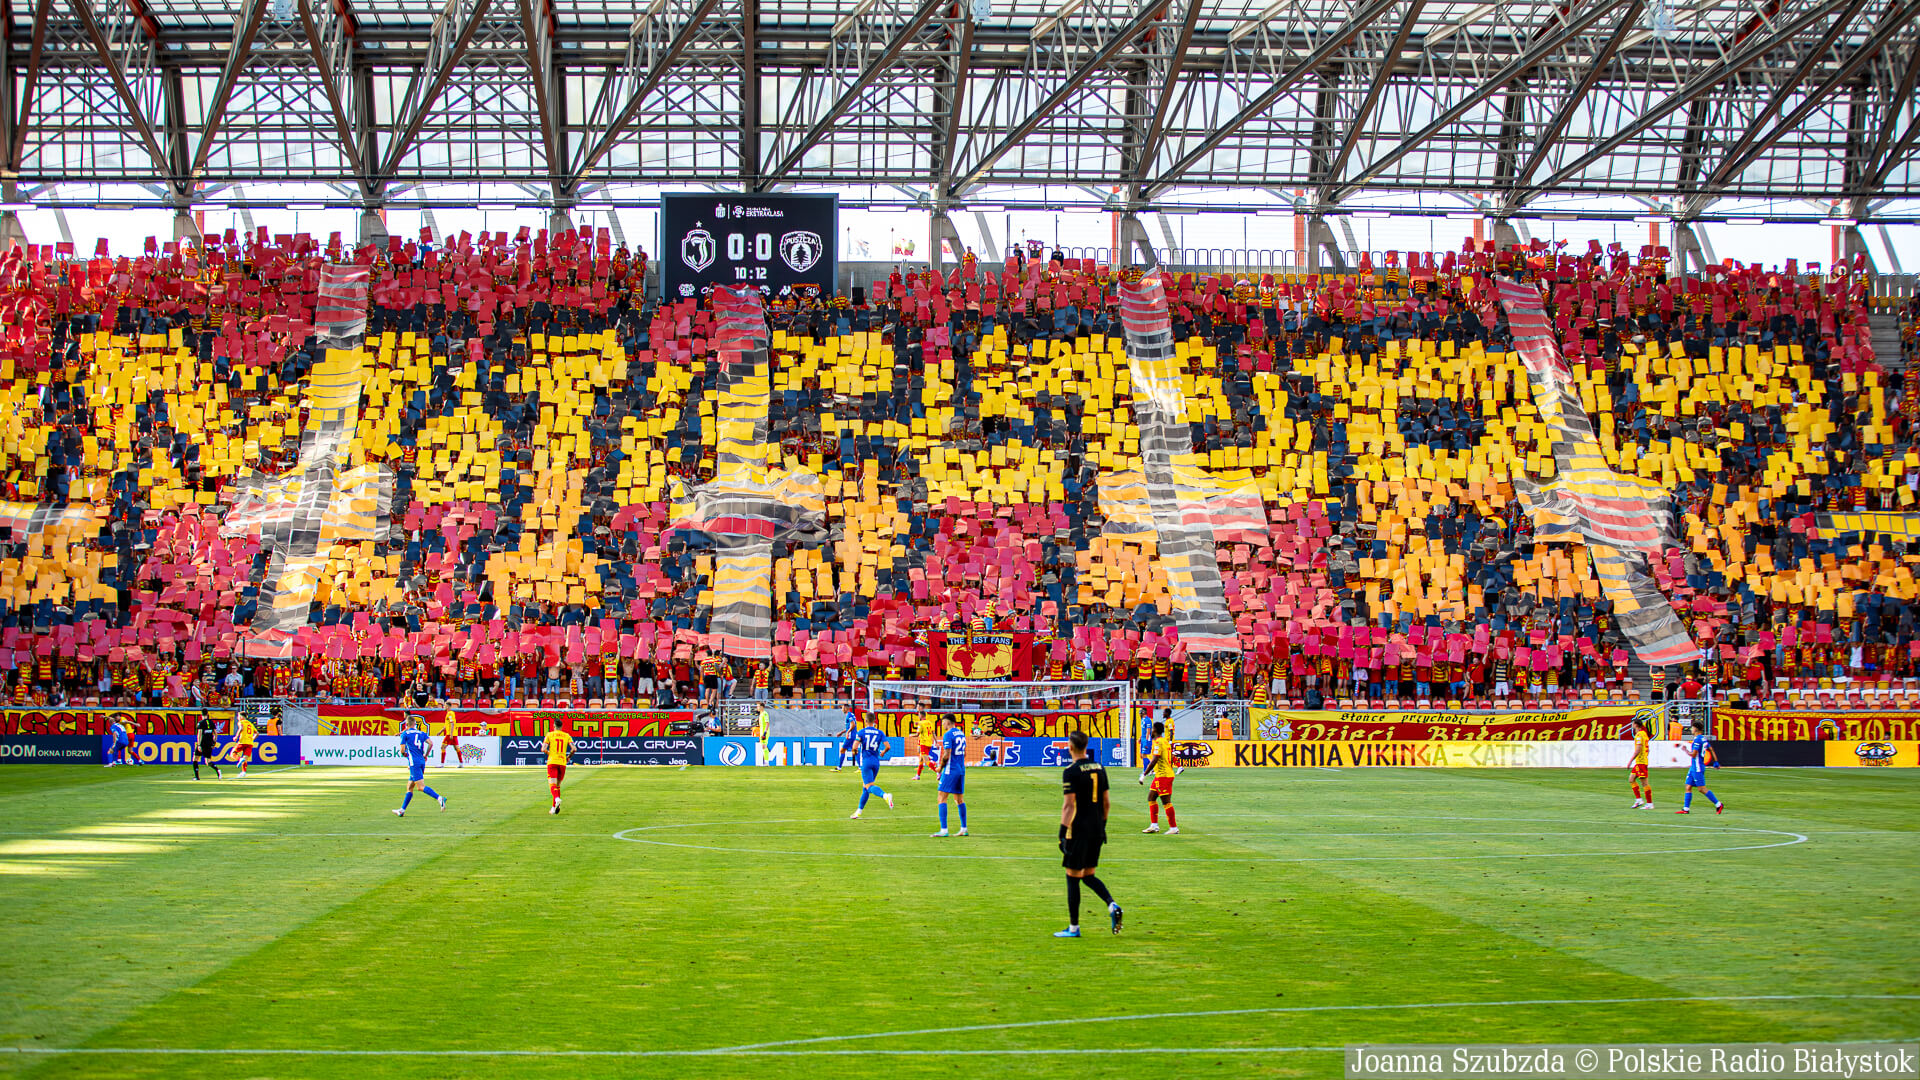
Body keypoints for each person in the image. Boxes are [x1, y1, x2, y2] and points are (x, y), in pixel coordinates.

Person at [1056, 729, 1122, 938]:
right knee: (1088, 874)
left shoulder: (1071, 771)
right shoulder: (1100, 768)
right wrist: (1102, 827)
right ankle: (1112, 905)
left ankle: (1074, 927)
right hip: (1096, 829)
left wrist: (1062, 832)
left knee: (1073, 877)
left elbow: (1069, 805)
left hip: (1078, 830)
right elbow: (1107, 803)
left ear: (1071, 747)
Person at [391, 719, 446, 817]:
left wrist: (406, 755)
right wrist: (426, 755)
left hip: (414, 763)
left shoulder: (405, 733)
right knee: (410, 787)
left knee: (420, 787)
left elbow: (402, 750)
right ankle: (402, 810)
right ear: (415, 724)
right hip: (421, 761)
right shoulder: (421, 733)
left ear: (406, 724)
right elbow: (431, 743)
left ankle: (439, 798)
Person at [1137, 720, 1180, 834]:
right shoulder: (1164, 741)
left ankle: (1173, 828)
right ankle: (1154, 825)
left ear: (1155, 730)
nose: (1151, 731)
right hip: (1161, 775)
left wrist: (1144, 774)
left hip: (1164, 776)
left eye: (1152, 729)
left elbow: (1155, 759)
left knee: (1166, 802)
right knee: (1151, 797)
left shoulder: (1158, 742)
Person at [847, 719, 895, 819]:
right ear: (874, 721)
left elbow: (855, 747)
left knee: (869, 787)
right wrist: (883, 753)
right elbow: (888, 746)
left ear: (866, 721)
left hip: (866, 762)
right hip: (876, 762)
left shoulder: (861, 732)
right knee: (865, 788)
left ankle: (885, 795)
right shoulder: (879, 732)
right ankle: (858, 812)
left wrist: (854, 752)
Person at [1677, 720, 1724, 814]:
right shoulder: (1703, 738)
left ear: (1695, 729)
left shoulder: (1697, 740)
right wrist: (1716, 762)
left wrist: (1685, 750)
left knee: (1701, 788)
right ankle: (1686, 809)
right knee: (1688, 786)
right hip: (1694, 767)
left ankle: (1718, 804)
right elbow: (1711, 749)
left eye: (1692, 727)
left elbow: (1694, 754)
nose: (1691, 729)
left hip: (1697, 767)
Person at [931, 714, 967, 837]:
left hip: (950, 769)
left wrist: (940, 768)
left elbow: (947, 755)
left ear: (947, 722)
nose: (942, 725)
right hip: (961, 769)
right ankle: (964, 828)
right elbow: (964, 753)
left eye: (943, 722)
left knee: (941, 797)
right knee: (959, 799)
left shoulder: (948, 735)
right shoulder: (962, 734)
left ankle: (944, 830)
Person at [544, 721, 575, 814]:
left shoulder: (549, 735)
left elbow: (543, 749)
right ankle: (554, 808)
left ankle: (557, 799)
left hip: (552, 762)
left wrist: (551, 754)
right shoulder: (566, 735)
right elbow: (574, 749)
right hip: (562, 762)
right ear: (561, 726)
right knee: (557, 786)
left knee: (552, 785)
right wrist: (568, 757)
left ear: (554, 726)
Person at [1628, 717, 1653, 809]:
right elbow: (1648, 749)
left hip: (1641, 762)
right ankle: (1639, 800)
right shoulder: (1644, 734)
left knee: (1644, 783)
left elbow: (1638, 749)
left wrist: (1630, 761)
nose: (1632, 725)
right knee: (1631, 779)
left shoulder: (1639, 735)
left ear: (1636, 725)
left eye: (1632, 723)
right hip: (1640, 761)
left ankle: (1650, 804)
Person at [191, 708, 222, 780]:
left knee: (195, 759)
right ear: (207, 714)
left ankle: (197, 777)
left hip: (202, 743)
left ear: (201, 715)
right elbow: (215, 734)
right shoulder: (211, 723)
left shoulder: (201, 723)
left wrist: (199, 745)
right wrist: (214, 743)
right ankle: (217, 770)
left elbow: (199, 734)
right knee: (208, 761)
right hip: (209, 743)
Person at [226, 713, 260, 778]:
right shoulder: (250, 724)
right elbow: (257, 733)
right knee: (245, 758)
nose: (237, 718)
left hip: (242, 741)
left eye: (238, 716)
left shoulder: (241, 722)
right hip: (249, 743)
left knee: (233, 753)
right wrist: (252, 739)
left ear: (241, 717)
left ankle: (239, 759)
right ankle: (243, 772)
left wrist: (236, 736)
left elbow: (241, 728)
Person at [914, 714, 938, 780]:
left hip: (923, 743)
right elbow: (933, 733)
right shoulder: (930, 722)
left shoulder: (921, 724)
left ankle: (938, 772)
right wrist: (936, 742)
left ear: (921, 716)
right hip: (929, 743)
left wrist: (911, 735)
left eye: (919, 715)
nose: (918, 716)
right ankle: (917, 776)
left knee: (926, 761)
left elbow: (917, 734)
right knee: (921, 759)